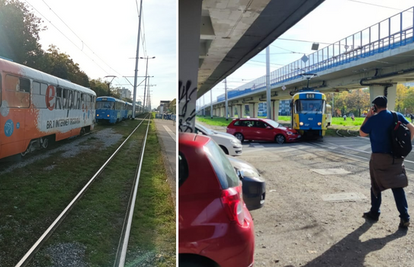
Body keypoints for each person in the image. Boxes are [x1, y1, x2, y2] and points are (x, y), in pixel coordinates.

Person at [359, 95, 414, 228]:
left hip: (379, 158)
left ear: (375, 107)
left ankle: (374, 213)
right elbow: (412, 128)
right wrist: (405, 146)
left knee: (376, 185)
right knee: (397, 186)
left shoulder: (373, 119)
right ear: (386, 105)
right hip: (396, 157)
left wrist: (368, 116)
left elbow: (362, 133)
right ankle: (405, 217)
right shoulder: (396, 116)